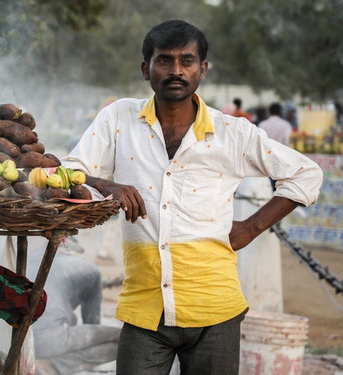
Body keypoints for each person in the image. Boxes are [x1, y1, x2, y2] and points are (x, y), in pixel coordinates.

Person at [60, 20, 322, 374]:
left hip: (215, 308)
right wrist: (106, 184)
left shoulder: (232, 133)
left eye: (187, 61)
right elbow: (68, 171)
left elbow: (305, 173)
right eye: (164, 61)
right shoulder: (118, 119)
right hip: (145, 308)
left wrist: (250, 227)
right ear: (145, 69)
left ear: (203, 69)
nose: (176, 71)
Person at [27, 247, 121, 375]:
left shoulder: (33, 263)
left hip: (24, 342)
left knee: (70, 322)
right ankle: (55, 366)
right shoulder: (90, 270)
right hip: (49, 342)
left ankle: (48, 361)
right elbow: (92, 321)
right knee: (125, 339)